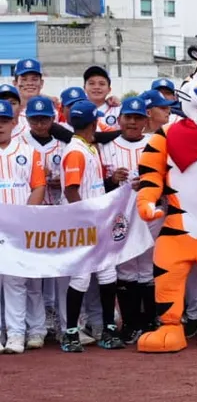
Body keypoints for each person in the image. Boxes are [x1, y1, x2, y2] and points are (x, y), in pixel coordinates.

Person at [60, 102, 122, 351]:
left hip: (97, 220)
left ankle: (108, 329)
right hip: (83, 222)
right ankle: (71, 333)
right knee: (82, 277)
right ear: (94, 123)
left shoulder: (88, 147)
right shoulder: (76, 150)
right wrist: (85, 218)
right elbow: (71, 189)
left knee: (108, 273)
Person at [99, 96, 155, 344]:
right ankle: (131, 323)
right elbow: (96, 187)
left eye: (137, 117)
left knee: (150, 269)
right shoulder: (107, 147)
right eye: (128, 117)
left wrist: (152, 183)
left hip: (151, 213)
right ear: (119, 119)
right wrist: (111, 181)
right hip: (120, 216)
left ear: (146, 120)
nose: (132, 122)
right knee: (126, 269)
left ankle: (151, 321)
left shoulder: (155, 144)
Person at [20, 96, 68, 349]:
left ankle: (64, 324)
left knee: (62, 274)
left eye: (45, 118)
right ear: (27, 120)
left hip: (58, 211)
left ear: (53, 118)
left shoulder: (63, 143)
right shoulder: (20, 144)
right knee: (33, 276)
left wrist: (56, 178)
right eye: (35, 119)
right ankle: (36, 328)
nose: (40, 123)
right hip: (31, 215)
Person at [0, 100, 46, 354]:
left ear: (14, 122)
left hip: (18, 227)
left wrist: (26, 218)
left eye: (4, 121)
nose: (0, 126)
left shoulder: (28, 151)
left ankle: (16, 334)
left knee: (16, 282)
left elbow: (38, 186)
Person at [82, 65, 121, 132]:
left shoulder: (118, 111)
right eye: (91, 83)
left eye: (102, 84)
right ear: (84, 88)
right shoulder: (76, 110)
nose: (96, 87)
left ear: (109, 89)